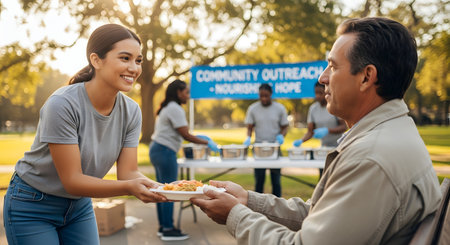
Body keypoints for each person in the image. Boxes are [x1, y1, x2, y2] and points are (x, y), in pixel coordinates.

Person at [191, 17, 442, 244]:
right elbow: (321, 214)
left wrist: (235, 215)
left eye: (332, 66)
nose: (323, 78)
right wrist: (249, 201)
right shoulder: (392, 133)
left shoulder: (371, 159)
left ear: (366, 77)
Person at [3, 24, 167, 245]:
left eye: (138, 60)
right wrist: (130, 188)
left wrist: (168, 188)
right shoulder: (63, 104)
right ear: (96, 60)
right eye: (125, 58)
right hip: (33, 204)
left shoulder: (131, 111)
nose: (134, 68)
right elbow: (72, 180)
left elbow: (128, 173)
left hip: (79, 207)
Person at [149, 79, 219, 241]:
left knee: (162, 191)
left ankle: (163, 227)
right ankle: (168, 229)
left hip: (158, 149)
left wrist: (201, 139)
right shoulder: (175, 109)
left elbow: (183, 133)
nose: (188, 95)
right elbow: (186, 135)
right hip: (165, 152)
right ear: (178, 92)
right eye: (186, 92)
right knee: (169, 192)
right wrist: (208, 143)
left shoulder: (168, 107)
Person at [243, 83, 288, 197]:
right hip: (259, 150)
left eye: (266, 96)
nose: (263, 98)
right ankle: (258, 209)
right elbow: (249, 127)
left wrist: (282, 136)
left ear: (271, 95)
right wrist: (248, 137)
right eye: (261, 96)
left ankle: (278, 208)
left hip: (275, 148)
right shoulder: (253, 108)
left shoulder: (279, 108)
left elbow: (285, 126)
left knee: (276, 182)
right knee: (259, 181)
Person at [293, 81, 347, 177]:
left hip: (338, 148)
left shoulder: (334, 105)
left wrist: (328, 130)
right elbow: (310, 131)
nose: (317, 96)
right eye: (316, 93)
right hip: (323, 151)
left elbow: (344, 127)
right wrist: (301, 141)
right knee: (323, 177)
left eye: (320, 93)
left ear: (326, 92)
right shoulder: (313, 109)